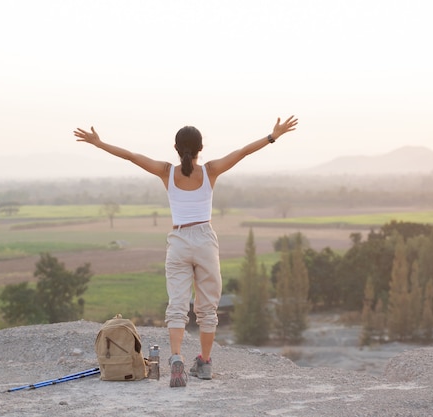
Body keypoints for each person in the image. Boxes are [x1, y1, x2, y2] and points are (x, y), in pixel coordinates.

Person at [74, 115, 298, 387]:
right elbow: (242, 153)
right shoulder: (210, 171)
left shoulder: (166, 171)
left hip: (179, 239)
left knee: (178, 305)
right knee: (207, 309)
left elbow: (131, 156)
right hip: (204, 239)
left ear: (176, 148)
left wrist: (98, 144)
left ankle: (177, 358)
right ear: (200, 147)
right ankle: (204, 363)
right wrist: (272, 136)